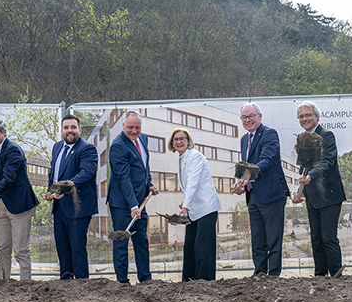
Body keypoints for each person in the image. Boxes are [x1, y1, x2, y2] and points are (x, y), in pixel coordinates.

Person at [232, 103, 290, 276]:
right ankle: (259, 274)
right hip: (253, 196)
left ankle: (273, 276)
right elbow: (247, 166)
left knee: (273, 239)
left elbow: (265, 160)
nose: (248, 120)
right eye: (244, 117)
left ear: (260, 116)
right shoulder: (244, 139)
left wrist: (246, 178)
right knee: (257, 239)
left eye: (251, 116)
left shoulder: (269, 134)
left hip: (272, 194)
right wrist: (241, 184)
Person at [291, 101, 346, 277]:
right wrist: (300, 192)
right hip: (312, 196)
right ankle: (320, 277)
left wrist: (310, 176)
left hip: (330, 195)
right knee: (316, 239)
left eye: (308, 115)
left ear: (316, 117)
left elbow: (327, 161)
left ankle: (336, 276)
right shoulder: (303, 139)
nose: (305, 119)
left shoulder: (326, 135)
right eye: (301, 116)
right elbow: (304, 168)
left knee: (328, 238)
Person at [0, 118, 38, 281]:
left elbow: (8, 179)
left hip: (20, 206)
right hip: (3, 205)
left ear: (4, 132)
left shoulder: (12, 150)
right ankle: (4, 281)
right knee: (3, 247)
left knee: (20, 250)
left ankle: (25, 284)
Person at [45, 114, 98, 280]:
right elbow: (54, 173)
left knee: (77, 249)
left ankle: (81, 286)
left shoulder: (87, 149)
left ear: (79, 130)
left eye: (73, 127)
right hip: (59, 206)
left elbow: (86, 173)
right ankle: (66, 284)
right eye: (66, 127)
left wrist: (65, 187)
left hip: (78, 207)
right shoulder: (57, 147)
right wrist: (50, 190)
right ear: (61, 130)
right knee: (63, 249)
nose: (70, 131)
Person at [107, 112, 158, 284]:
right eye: (130, 127)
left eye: (137, 127)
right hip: (122, 204)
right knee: (121, 241)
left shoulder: (143, 138)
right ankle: (123, 283)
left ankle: (146, 280)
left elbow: (144, 165)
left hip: (140, 201)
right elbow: (124, 178)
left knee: (141, 240)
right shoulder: (118, 146)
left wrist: (149, 183)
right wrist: (133, 206)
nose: (134, 131)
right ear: (123, 125)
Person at [170, 127, 221, 281]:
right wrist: (186, 202)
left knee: (203, 247)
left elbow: (193, 182)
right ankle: (189, 281)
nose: (179, 142)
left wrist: (185, 205)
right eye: (176, 139)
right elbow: (189, 186)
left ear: (188, 141)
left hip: (206, 208)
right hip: (194, 209)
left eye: (182, 138)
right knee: (190, 246)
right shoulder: (181, 158)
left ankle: (204, 282)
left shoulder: (195, 156)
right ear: (172, 143)